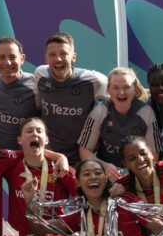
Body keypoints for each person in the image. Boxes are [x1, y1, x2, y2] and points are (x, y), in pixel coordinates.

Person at [32, 33, 107, 163]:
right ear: (46, 58)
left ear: (73, 57)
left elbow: (120, 90)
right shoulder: (40, 75)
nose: (58, 59)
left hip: (81, 159)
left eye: (63, 54)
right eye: (52, 54)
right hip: (48, 157)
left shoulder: (96, 81)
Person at [78, 67, 160, 180]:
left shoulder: (146, 113)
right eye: (116, 87)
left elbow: (154, 154)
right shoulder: (100, 112)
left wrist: (138, 177)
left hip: (137, 174)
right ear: (108, 90)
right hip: (107, 174)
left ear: (134, 89)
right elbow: (84, 151)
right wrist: (103, 166)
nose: (121, 92)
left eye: (126, 87)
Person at [0, 37, 40, 150]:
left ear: (22, 58)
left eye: (13, 57)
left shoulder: (36, 87)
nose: (7, 62)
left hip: (24, 161)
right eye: (1, 57)